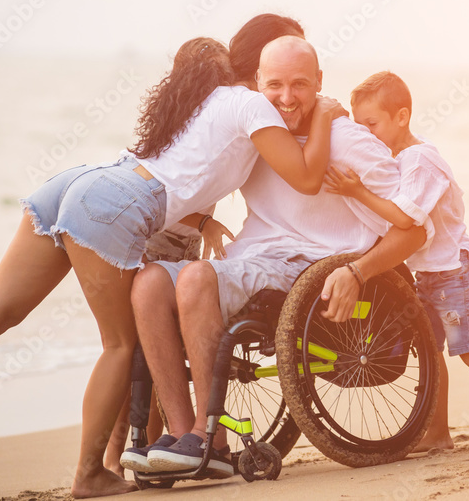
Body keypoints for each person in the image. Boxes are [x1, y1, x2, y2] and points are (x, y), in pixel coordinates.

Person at [0, 36, 344, 498]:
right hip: (112, 206)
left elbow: (182, 171)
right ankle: (91, 473)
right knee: (121, 345)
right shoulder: (246, 103)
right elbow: (303, 175)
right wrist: (322, 112)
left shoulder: (191, 108)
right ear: (253, 71)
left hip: (80, 183)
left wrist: (205, 220)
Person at [125, 36, 428, 477]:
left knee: (193, 279)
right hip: (255, 260)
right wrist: (203, 223)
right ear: (256, 85)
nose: (287, 98)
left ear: (320, 82)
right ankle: (182, 434)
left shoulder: (349, 142)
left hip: (310, 268)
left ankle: (213, 441)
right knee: (150, 281)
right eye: (275, 86)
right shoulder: (256, 136)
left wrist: (358, 271)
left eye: (300, 85)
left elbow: (414, 229)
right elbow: (189, 181)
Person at [325, 71, 469, 451]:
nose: (366, 134)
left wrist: (356, 190)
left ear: (401, 117)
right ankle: (438, 434)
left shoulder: (420, 160)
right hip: (431, 275)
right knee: (430, 351)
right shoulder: (402, 159)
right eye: (359, 127)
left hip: (455, 272)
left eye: (371, 124)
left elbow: (406, 219)